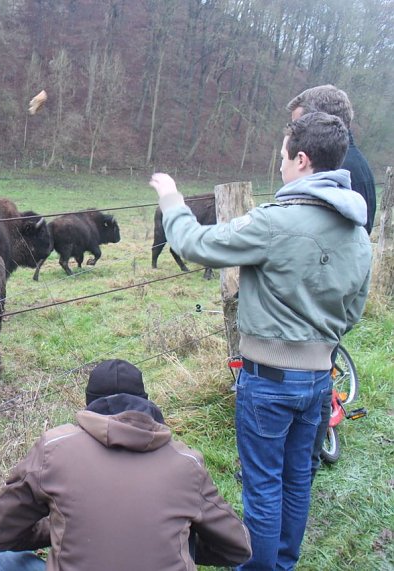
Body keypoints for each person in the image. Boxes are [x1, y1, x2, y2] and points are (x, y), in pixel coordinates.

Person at [149, 111, 372, 570]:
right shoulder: (358, 231)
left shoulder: (274, 222)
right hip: (318, 378)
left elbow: (194, 244)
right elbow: (353, 310)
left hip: (268, 382)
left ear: (303, 160)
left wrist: (170, 198)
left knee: (264, 486)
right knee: (297, 480)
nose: (280, 165)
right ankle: (282, 563)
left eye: (283, 156)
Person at [0, 359, 252, 571]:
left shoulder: (53, 448)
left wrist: (56, 529)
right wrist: (183, 541)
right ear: (145, 402)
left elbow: (2, 531)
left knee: (6, 561)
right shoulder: (186, 462)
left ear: (88, 403)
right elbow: (238, 547)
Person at [286, 84, 377, 480]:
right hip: (331, 306)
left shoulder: (342, 176)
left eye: (299, 125)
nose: (292, 137)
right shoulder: (356, 166)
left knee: (310, 380)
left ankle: (303, 453)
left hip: (312, 313)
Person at [287, 85, 376, 235]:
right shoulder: (352, 162)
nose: (292, 132)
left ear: (320, 121)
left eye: (297, 124)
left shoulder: (336, 171)